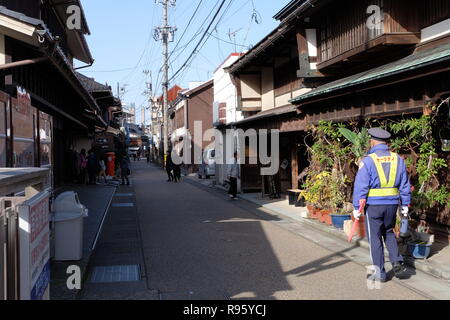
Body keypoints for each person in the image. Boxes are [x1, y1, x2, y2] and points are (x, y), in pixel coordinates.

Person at [352, 127, 410, 283]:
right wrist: (405, 204)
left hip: (374, 206)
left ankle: (380, 273)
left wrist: (357, 208)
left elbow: (361, 186)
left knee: (375, 238)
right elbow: (404, 184)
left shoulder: (368, 160)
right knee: (389, 232)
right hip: (392, 205)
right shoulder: (398, 158)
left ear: (372, 141)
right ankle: (397, 262)